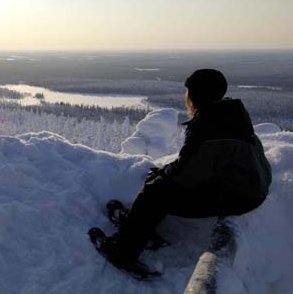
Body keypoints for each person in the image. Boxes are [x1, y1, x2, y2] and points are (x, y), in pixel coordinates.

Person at [92, 69, 272, 272]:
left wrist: (162, 176)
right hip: (249, 187)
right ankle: (138, 228)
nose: (186, 97)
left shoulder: (207, 126)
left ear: (197, 96)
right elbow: (202, 163)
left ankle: (123, 252)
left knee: (154, 192)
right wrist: (166, 173)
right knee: (162, 183)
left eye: (189, 92)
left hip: (240, 195)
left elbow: (187, 174)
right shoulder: (229, 114)